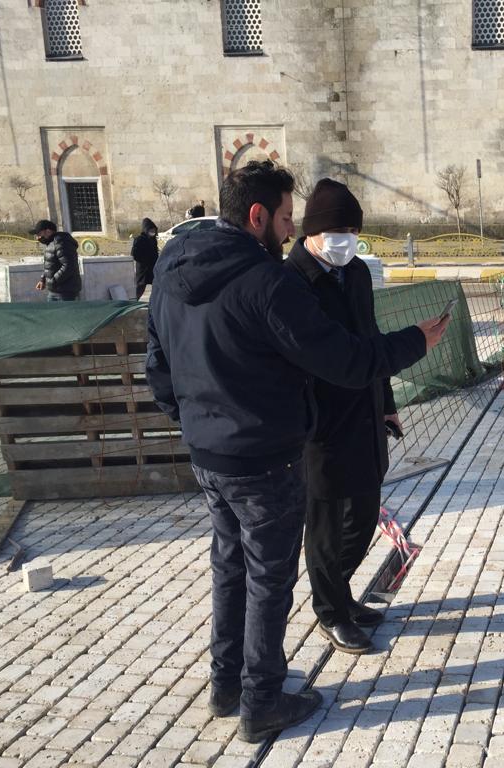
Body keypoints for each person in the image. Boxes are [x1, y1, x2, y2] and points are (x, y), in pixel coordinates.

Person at [146, 161, 449, 743]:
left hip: (210, 456)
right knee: (268, 580)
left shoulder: (171, 268)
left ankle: (226, 684)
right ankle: (261, 702)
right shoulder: (268, 281)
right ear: (257, 216)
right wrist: (417, 341)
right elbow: (344, 360)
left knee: (230, 569)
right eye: (286, 217)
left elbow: (158, 366)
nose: (290, 231)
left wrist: (192, 423)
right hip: (265, 457)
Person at [284, 179, 403, 656]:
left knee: (365, 511)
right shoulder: (291, 280)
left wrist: (387, 400)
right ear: (313, 231)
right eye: (337, 229)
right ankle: (330, 611)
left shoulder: (353, 273)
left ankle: (339, 592)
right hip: (320, 424)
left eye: (353, 229)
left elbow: (371, 342)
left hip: (365, 411)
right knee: (327, 524)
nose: (345, 239)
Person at [31, 219, 81, 301]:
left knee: (64, 314)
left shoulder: (61, 242)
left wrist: (52, 281)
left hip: (65, 291)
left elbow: (68, 266)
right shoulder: (50, 243)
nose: (38, 237)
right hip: (54, 290)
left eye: (39, 234)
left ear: (48, 231)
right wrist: (43, 279)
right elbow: (50, 265)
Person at [131, 217, 159, 300]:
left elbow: (155, 252)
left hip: (152, 267)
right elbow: (134, 253)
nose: (152, 232)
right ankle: (135, 300)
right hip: (143, 268)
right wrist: (144, 259)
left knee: (156, 284)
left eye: (154, 230)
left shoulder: (153, 240)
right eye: (151, 230)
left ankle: (155, 301)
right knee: (140, 286)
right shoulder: (139, 239)